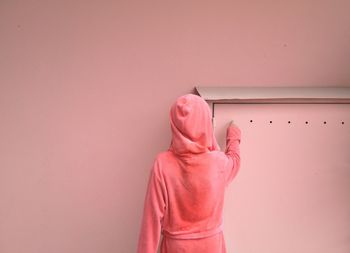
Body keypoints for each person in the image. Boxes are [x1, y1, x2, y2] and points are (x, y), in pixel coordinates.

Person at [137, 93, 241, 253]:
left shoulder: (162, 164)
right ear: (206, 122)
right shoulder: (218, 162)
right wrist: (233, 134)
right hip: (211, 246)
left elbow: (151, 222)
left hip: (176, 248)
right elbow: (235, 160)